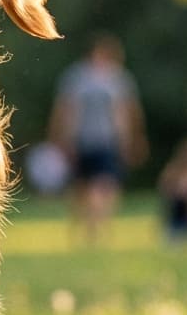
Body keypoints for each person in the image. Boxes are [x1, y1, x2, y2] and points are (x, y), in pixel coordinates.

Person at [47, 33, 147, 242]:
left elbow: (62, 111)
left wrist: (59, 137)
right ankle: (95, 226)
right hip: (104, 139)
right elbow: (129, 112)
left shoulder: (76, 77)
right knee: (101, 185)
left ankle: (90, 227)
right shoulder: (117, 79)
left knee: (90, 185)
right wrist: (133, 139)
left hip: (85, 140)